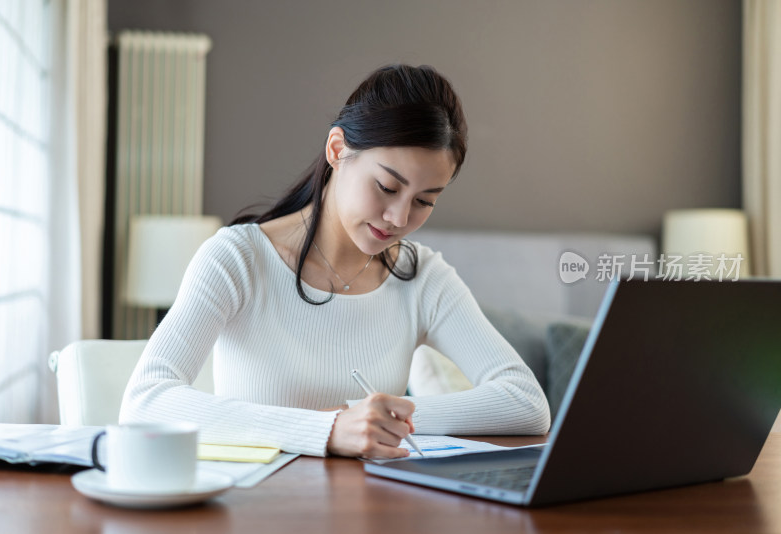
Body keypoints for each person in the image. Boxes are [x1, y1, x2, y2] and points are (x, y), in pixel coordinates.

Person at [120, 64, 550, 459]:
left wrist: (372, 419)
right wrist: (326, 428)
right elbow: (145, 401)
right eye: (386, 186)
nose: (399, 218)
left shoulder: (422, 277)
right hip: (259, 504)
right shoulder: (237, 259)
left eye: (424, 201)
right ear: (337, 149)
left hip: (372, 508)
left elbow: (526, 402)